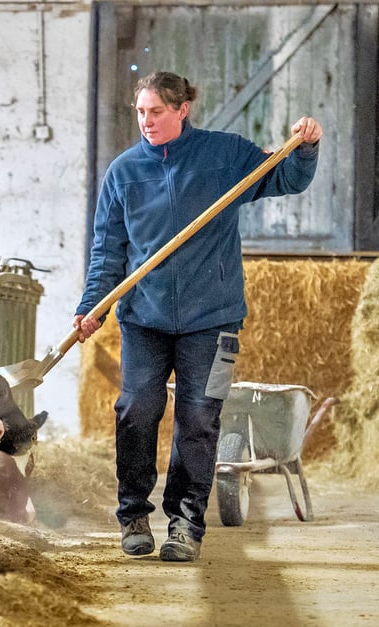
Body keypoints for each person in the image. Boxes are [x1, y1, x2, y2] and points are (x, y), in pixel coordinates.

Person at [73, 71, 322, 562]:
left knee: (199, 417)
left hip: (212, 320)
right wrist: (92, 306)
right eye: (140, 112)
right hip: (144, 318)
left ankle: (186, 523)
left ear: (182, 109)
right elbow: (108, 252)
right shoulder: (124, 173)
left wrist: (307, 146)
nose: (146, 121)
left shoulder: (225, 155)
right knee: (136, 409)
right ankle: (133, 515)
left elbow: (288, 178)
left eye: (156, 111)